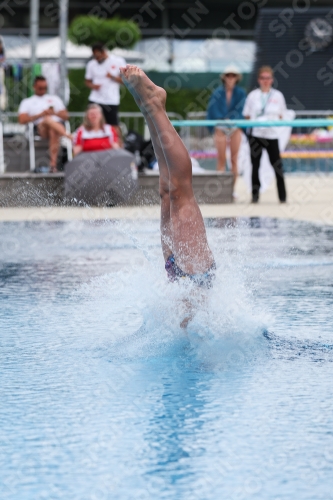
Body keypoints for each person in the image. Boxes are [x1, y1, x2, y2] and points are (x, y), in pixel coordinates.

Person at [120, 65, 215, 328]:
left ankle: (150, 110)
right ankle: (155, 105)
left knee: (166, 192)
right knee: (179, 192)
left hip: (176, 274)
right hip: (195, 276)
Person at [243, 65, 287, 203]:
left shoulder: (278, 95)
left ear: (272, 79)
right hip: (256, 134)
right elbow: (246, 115)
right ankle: (255, 197)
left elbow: (282, 115)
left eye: (268, 78)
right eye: (263, 78)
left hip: (272, 135)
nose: (265, 81)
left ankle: (282, 197)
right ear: (259, 80)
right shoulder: (253, 96)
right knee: (255, 166)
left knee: (277, 166)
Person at [207, 64, 246, 195]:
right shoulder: (217, 92)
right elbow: (212, 110)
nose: (230, 78)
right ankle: (221, 192)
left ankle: (232, 190)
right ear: (224, 77)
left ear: (237, 78)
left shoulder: (241, 93)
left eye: (233, 75)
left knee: (234, 159)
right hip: (221, 126)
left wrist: (233, 121)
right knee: (221, 158)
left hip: (235, 126)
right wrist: (223, 121)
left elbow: (242, 110)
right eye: (228, 75)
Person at [18, 75, 71, 173]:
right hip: (39, 128)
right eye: (40, 88)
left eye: (45, 88)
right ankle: (69, 136)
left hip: (55, 128)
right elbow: (22, 120)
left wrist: (54, 113)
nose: (43, 90)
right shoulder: (27, 102)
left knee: (53, 129)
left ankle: (53, 165)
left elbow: (66, 116)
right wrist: (40, 115)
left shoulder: (55, 99)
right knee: (47, 119)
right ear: (34, 87)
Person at [85, 42, 125, 141]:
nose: (96, 58)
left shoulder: (118, 61)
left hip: (111, 100)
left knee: (113, 126)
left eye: (98, 56)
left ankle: (119, 148)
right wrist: (93, 86)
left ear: (103, 52)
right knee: (92, 124)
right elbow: (87, 82)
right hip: (95, 98)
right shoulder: (91, 64)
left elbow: (125, 81)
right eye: (95, 56)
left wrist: (112, 77)